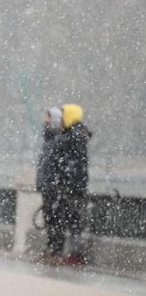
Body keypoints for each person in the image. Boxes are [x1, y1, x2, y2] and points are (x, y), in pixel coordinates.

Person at [53, 103, 91, 266]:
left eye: (63, 116)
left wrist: (68, 182)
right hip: (73, 185)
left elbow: (74, 164)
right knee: (72, 220)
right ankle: (74, 254)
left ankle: (76, 255)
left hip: (73, 187)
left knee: (74, 221)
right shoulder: (75, 134)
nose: (60, 120)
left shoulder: (74, 136)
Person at [35, 107, 63, 257]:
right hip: (48, 186)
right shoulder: (50, 140)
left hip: (52, 186)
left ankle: (55, 250)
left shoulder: (56, 140)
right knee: (49, 217)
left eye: (48, 118)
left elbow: (55, 166)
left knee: (54, 218)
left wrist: (52, 183)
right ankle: (51, 248)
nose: (45, 122)